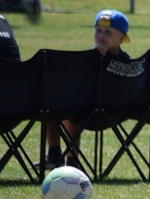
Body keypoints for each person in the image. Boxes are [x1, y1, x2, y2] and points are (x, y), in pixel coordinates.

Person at [39, 9, 133, 170]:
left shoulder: (126, 62)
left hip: (108, 112)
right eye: (98, 30)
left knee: (71, 111)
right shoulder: (87, 56)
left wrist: (103, 59)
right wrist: (94, 56)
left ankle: (72, 159)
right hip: (87, 108)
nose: (101, 35)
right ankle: (54, 155)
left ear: (121, 38)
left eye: (108, 32)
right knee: (53, 104)